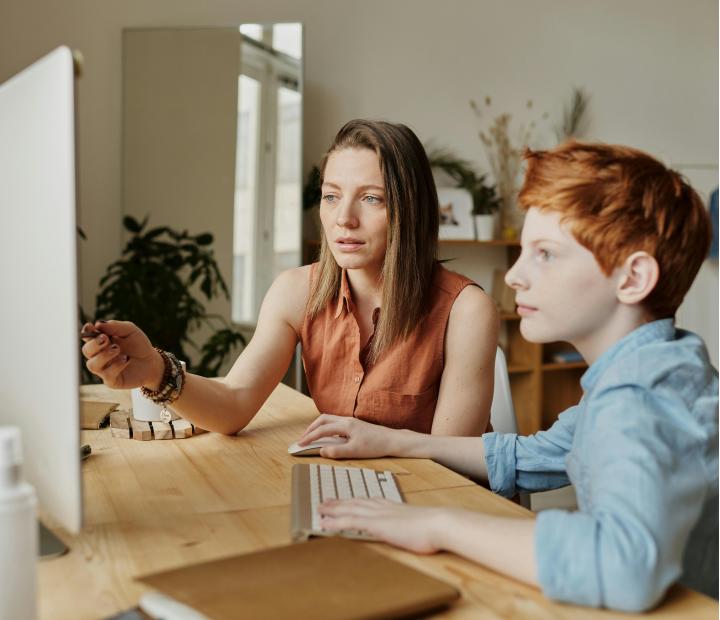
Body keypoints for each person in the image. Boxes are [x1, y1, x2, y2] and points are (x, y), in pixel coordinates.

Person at [302, 141, 719, 612]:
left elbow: (622, 566)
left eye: (545, 254)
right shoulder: (659, 366)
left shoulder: (639, 397)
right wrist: (395, 440)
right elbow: (537, 455)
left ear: (632, 278)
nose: (515, 276)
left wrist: (440, 526)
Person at [81, 119, 498, 437]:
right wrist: (155, 370)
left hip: (437, 507)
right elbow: (234, 403)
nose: (343, 219)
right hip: (352, 492)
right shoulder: (296, 291)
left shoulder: (466, 310)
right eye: (331, 196)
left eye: (372, 198)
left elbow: (451, 464)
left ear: (412, 210)